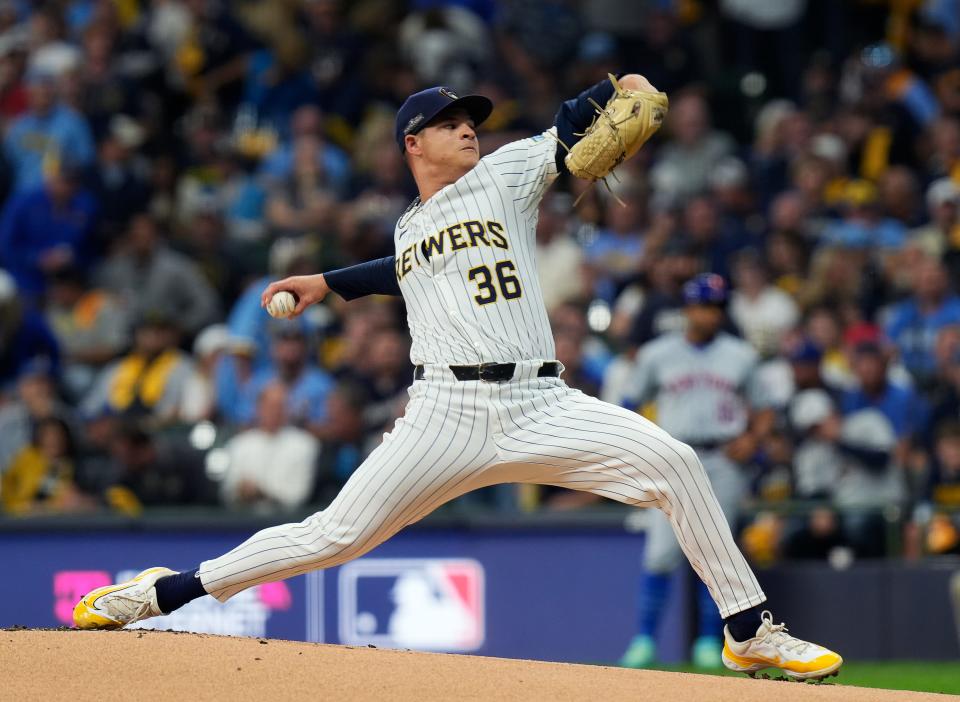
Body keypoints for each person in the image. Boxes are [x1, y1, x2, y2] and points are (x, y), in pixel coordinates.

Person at [73, 77, 842, 681]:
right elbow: (400, 267)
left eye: (471, 117)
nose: (468, 126)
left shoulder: (506, 172)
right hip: (445, 409)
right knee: (332, 537)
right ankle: (161, 593)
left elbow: (582, 117)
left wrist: (627, 87)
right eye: (450, 122)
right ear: (414, 143)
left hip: (539, 400)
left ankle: (749, 634)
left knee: (675, 464)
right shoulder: (409, 225)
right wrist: (326, 281)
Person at [617, 273, 775, 670]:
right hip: (672, 458)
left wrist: (753, 439)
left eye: (717, 307)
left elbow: (765, 408)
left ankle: (709, 641)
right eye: (704, 306)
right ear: (688, 309)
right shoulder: (657, 353)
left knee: (717, 553)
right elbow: (629, 402)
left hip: (721, 459)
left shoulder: (740, 354)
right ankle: (644, 640)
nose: (711, 314)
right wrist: (641, 446)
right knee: (659, 554)